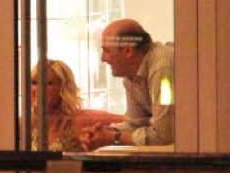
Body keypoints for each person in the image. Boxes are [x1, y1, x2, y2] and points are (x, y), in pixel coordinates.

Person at [80, 18, 174, 151]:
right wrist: (103, 132)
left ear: (128, 51)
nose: (103, 58)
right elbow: (135, 123)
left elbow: (164, 136)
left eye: (107, 51)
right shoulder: (131, 76)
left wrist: (113, 137)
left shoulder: (163, 71)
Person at [31, 59, 124, 151]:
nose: (38, 89)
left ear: (63, 88)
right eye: (34, 83)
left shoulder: (81, 119)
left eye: (48, 83)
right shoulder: (26, 123)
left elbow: (129, 123)